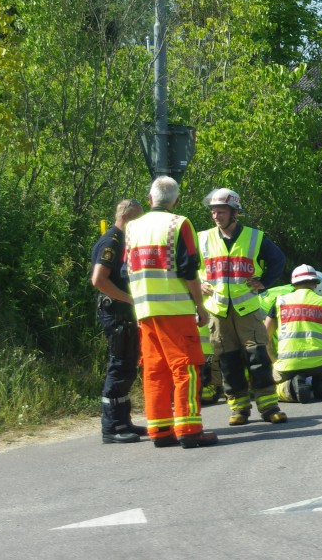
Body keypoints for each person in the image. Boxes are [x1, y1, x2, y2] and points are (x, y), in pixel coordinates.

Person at [123, 176, 218, 448]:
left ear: (150, 198)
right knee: (186, 368)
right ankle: (189, 430)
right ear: (175, 200)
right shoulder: (179, 223)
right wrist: (200, 306)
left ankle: (161, 431)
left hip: (145, 311)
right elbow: (189, 271)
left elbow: (123, 270)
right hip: (175, 310)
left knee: (155, 371)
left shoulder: (131, 228)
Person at [198, 187, 287, 426]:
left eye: (221, 211)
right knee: (228, 362)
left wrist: (265, 282)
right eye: (213, 212)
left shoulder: (255, 237)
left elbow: (278, 260)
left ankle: (269, 407)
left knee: (258, 358)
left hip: (247, 309)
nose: (216, 216)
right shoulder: (203, 238)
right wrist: (198, 283)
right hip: (218, 310)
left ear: (234, 212)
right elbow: (186, 265)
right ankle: (238, 409)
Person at [90, 198, 148, 444]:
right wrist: (130, 300)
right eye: (138, 219)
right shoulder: (111, 242)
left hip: (123, 315)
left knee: (127, 367)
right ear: (125, 217)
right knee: (119, 366)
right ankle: (111, 428)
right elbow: (99, 280)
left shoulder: (124, 240)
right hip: (115, 313)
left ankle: (124, 421)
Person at [267, 264, 322, 404]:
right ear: (316, 283)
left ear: (293, 283)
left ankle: (292, 389)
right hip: (321, 362)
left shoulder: (280, 301)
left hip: (287, 364)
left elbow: (265, 335)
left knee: (267, 387)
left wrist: (274, 360)